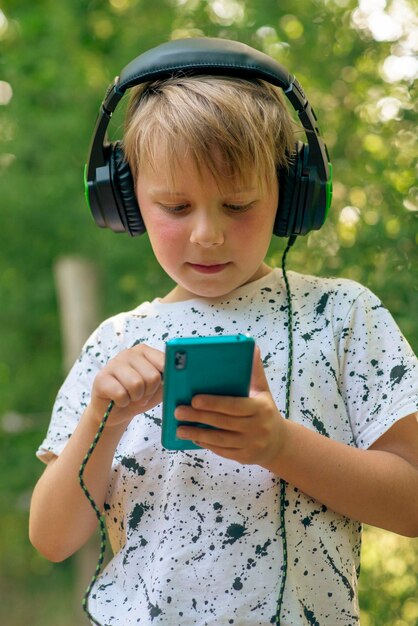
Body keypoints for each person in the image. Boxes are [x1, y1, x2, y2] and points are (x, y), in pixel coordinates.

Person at [29, 38, 418, 626]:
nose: (208, 234)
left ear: (291, 196)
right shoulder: (116, 341)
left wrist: (279, 446)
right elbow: (54, 539)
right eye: (176, 206)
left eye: (237, 205)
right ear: (126, 198)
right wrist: (99, 423)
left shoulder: (342, 316)